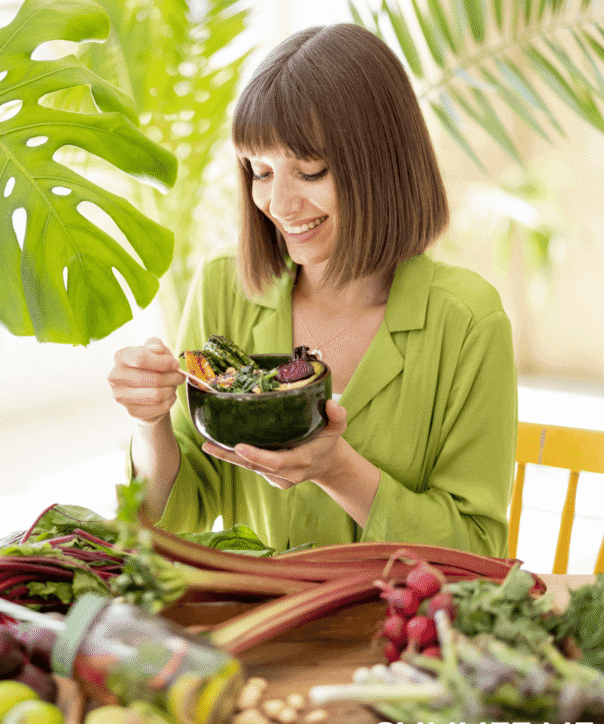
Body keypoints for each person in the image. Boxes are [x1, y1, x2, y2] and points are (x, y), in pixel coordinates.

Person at [108, 24, 517, 557]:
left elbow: (478, 552)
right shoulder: (222, 290)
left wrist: (339, 470)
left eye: (310, 171)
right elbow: (172, 513)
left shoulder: (466, 321)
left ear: (383, 166)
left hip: (393, 631)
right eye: (260, 171)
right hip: (256, 623)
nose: (279, 204)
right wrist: (151, 423)